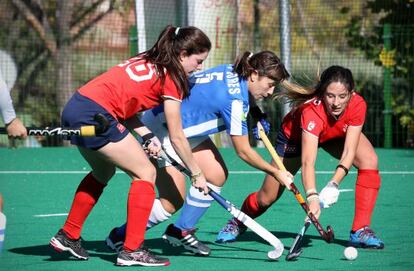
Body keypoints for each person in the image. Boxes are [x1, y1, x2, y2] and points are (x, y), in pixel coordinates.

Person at [105, 51, 300, 256]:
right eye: (269, 84)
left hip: (182, 126)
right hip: (163, 131)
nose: (270, 92)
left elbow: (235, 95)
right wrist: (276, 172)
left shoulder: (232, 70)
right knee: (172, 201)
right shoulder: (234, 102)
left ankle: (180, 230)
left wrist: (256, 112)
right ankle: (119, 236)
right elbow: (243, 151)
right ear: (253, 74)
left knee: (215, 174)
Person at [49, 25, 211, 267]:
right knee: (146, 173)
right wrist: (197, 173)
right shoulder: (173, 78)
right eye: (198, 61)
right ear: (182, 54)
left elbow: (125, 106)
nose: (199, 67)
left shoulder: (148, 58)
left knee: (103, 172)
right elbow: (177, 136)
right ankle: (132, 250)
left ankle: (68, 235)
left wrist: (146, 135)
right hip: (96, 114)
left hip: (77, 106)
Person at [216, 65, 385, 249]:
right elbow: (308, 161)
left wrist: (333, 184)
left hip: (333, 135)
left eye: (342, 97)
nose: (336, 103)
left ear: (351, 94)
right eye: (330, 96)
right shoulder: (311, 112)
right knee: (266, 198)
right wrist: (312, 196)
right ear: (322, 93)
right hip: (294, 140)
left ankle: (360, 230)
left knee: (369, 160)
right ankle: (238, 222)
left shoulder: (357, 104)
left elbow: (349, 152)